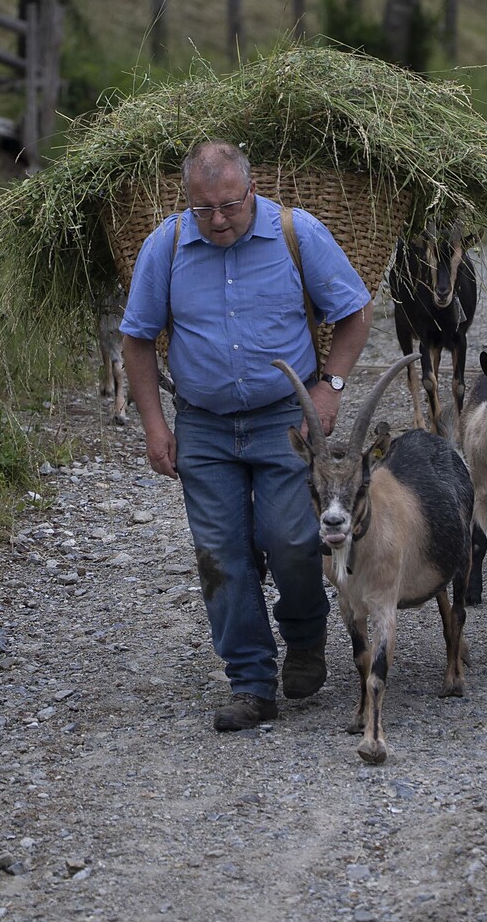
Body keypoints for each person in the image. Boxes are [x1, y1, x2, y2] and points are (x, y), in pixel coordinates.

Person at [118, 140, 374, 731]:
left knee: (290, 538)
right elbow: (137, 338)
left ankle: (306, 641)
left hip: (286, 422)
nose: (219, 219)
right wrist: (156, 426)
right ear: (188, 203)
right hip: (204, 426)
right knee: (221, 553)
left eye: (229, 205)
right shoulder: (167, 245)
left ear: (251, 192)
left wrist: (329, 387)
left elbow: (355, 309)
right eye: (204, 209)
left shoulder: (296, 234)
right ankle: (251, 682)